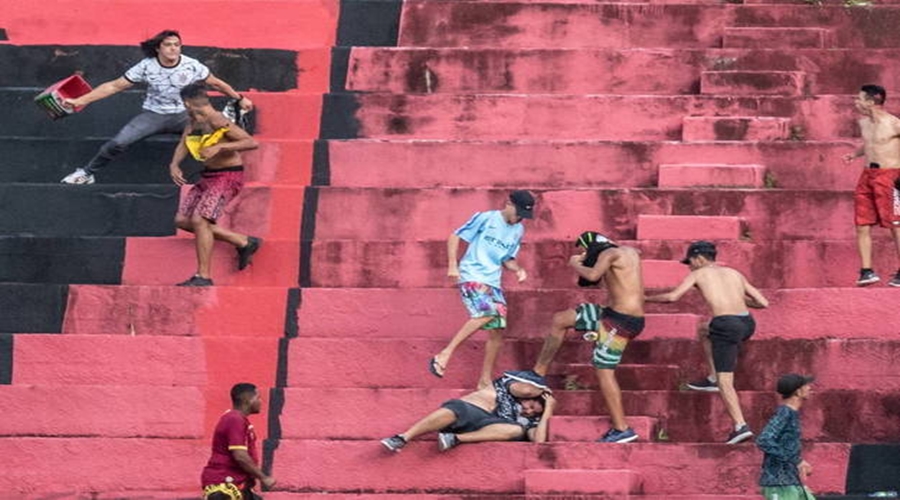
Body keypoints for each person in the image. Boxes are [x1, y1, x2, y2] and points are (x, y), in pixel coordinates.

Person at [60, 30, 253, 185]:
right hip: (154, 115)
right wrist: (80, 100)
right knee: (118, 142)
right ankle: (87, 173)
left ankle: (223, 178)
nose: (173, 49)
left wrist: (239, 98)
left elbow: (216, 83)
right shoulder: (146, 66)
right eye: (168, 45)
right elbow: (114, 86)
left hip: (185, 116)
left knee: (219, 134)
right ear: (158, 48)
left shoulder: (191, 65)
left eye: (177, 45)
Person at [645, 241, 769, 444]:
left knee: (726, 381)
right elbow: (763, 303)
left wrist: (644, 299)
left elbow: (672, 297)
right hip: (747, 323)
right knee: (704, 329)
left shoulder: (698, 274)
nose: (690, 266)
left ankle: (740, 426)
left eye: (690, 262)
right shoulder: (734, 273)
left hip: (726, 325)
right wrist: (736, 297)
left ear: (700, 258)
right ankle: (712, 378)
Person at [531, 231, 645, 443]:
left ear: (591, 247)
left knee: (604, 371)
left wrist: (574, 263)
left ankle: (622, 429)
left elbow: (592, 275)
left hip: (621, 321)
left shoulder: (610, 253)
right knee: (561, 320)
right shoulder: (628, 252)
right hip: (612, 314)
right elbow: (596, 280)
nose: (582, 255)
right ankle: (538, 373)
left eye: (584, 251)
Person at [429, 190, 536, 389]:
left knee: (498, 329)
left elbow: (507, 259)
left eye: (524, 215)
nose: (520, 218)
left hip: (493, 281)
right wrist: (452, 264)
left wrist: (518, 270)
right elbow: (455, 236)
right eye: (518, 212)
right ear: (509, 204)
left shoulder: (518, 230)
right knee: (486, 313)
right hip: (472, 274)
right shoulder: (486, 218)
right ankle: (445, 354)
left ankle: (484, 379)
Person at [169, 83, 261, 287]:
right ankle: (243, 242)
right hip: (207, 177)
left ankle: (203, 276)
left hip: (227, 176)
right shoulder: (193, 120)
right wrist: (174, 164)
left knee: (200, 220)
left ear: (186, 103)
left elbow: (250, 142)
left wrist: (220, 146)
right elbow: (184, 142)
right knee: (182, 220)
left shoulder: (218, 119)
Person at [381, 370, 555, 452]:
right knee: (458, 407)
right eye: (530, 405)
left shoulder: (533, 422)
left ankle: (455, 439)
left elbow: (538, 442)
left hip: (493, 427)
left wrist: (547, 412)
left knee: (516, 429)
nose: (528, 411)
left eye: (533, 412)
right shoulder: (506, 386)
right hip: (475, 413)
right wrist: (543, 390)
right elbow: (524, 389)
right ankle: (403, 438)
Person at [842, 84, 900, 287]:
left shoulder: (894, 124)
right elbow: (870, 143)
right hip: (868, 175)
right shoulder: (864, 123)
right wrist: (855, 154)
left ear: (871, 101)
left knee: (896, 224)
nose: (856, 102)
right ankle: (866, 271)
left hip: (890, 176)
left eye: (859, 99)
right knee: (862, 223)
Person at [201, 383, 275, 500]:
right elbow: (240, 456)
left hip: (237, 485)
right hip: (224, 485)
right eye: (258, 398)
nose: (261, 402)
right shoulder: (234, 419)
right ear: (247, 400)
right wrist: (263, 477)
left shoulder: (238, 419)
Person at [756, 374, 815, 500]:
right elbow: (764, 440)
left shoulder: (790, 413)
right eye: (806, 386)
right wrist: (797, 461)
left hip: (790, 481)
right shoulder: (785, 413)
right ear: (798, 392)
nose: (810, 388)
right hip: (779, 483)